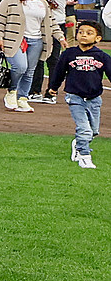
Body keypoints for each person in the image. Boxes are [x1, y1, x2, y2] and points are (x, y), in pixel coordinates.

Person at [48, 12, 106, 169]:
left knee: (93, 131)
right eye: (81, 32)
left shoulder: (102, 56)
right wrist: (53, 87)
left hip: (94, 99)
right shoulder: (69, 54)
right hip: (75, 98)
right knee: (84, 129)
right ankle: (84, 155)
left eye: (89, 33)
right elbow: (59, 72)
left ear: (98, 39)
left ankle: (77, 143)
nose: (84, 36)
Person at [0, 0, 49, 113]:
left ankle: (23, 98)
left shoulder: (42, 3)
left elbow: (50, 22)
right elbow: (0, 19)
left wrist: (61, 37)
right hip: (15, 39)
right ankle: (12, 92)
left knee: (30, 71)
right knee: (20, 67)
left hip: (36, 40)